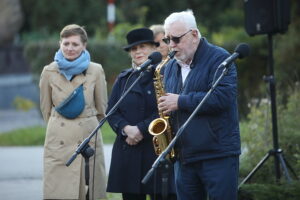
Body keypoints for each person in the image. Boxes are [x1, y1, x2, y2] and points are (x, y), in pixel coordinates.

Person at [158, 10, 241, 200]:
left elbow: (223, 97)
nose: (171, 45)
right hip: (185, 156)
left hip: (217, 154)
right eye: (167, 40)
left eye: (176, 39)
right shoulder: (170, 66)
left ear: (194, 35)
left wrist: (180, 101)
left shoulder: (220, 58)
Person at [106, 28, 176, 200]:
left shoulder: (166, 75)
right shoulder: (124, 78)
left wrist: (140, 129)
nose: (138, 52)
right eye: (133, 49)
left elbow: (166, 110)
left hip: (156, 150)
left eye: (142, 47)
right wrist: (125, 129)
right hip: (128, 151)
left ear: (153, 48)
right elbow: (111, 111)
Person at [39, 24, 107, 200]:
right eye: (66, 43)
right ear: (59, 43)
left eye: (75, 44)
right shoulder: (49, 71)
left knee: (90, 190)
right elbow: (45, 109)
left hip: (87, 136)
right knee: (59, 191)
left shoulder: (96, 70)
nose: (70, 48)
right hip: (59, 137)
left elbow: (102, 109)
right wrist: (57, 126)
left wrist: (87, 123)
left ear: (84, 45)